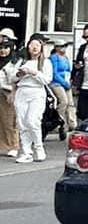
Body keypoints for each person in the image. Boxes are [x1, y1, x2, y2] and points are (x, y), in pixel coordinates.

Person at [9, 35, 51, 164]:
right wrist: (19, 74)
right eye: (32, 45)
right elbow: (12, 78)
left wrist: (33, 72)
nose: (34, 47)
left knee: (32, 121)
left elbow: (47, 80)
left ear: (41, 48)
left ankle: (39, 148)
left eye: (37, 45)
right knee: (22, 123)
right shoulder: (21, 61)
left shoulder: (45, 62)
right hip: (22, 92)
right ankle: (26, 152)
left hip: (36, 93)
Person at [46, 41, 75, 139]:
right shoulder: (54, 57)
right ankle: (57, 121)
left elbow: (68, 71)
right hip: (56, 82)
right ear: (57, 47)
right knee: (63, 102)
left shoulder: (66, 58)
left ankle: (68, 125)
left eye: (65, 46)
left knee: (70, 104)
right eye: (62, 46)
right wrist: (64, 83)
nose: (64, 48)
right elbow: (54, 73)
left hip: (66, 82)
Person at [0, 29, 18, 158]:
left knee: (9, 121)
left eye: (6, 48)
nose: (3, 50)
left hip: (9, 93)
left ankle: (13, 145)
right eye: (1, 48)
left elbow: (15, 80)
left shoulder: (14, 62)